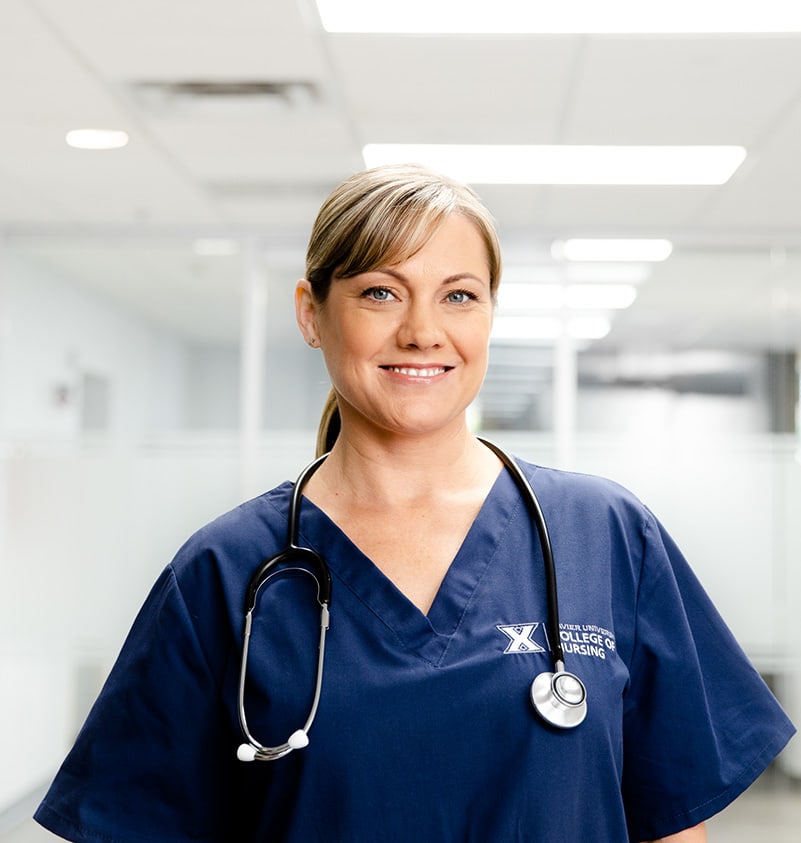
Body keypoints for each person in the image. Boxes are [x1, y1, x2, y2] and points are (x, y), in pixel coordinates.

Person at [35, 164, 794, 842]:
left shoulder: (604, 536)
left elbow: (671, 823)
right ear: (312, 312)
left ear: (489, 314)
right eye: (379, 292)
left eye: (458, 295)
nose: (422, 330)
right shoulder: (226, 570)